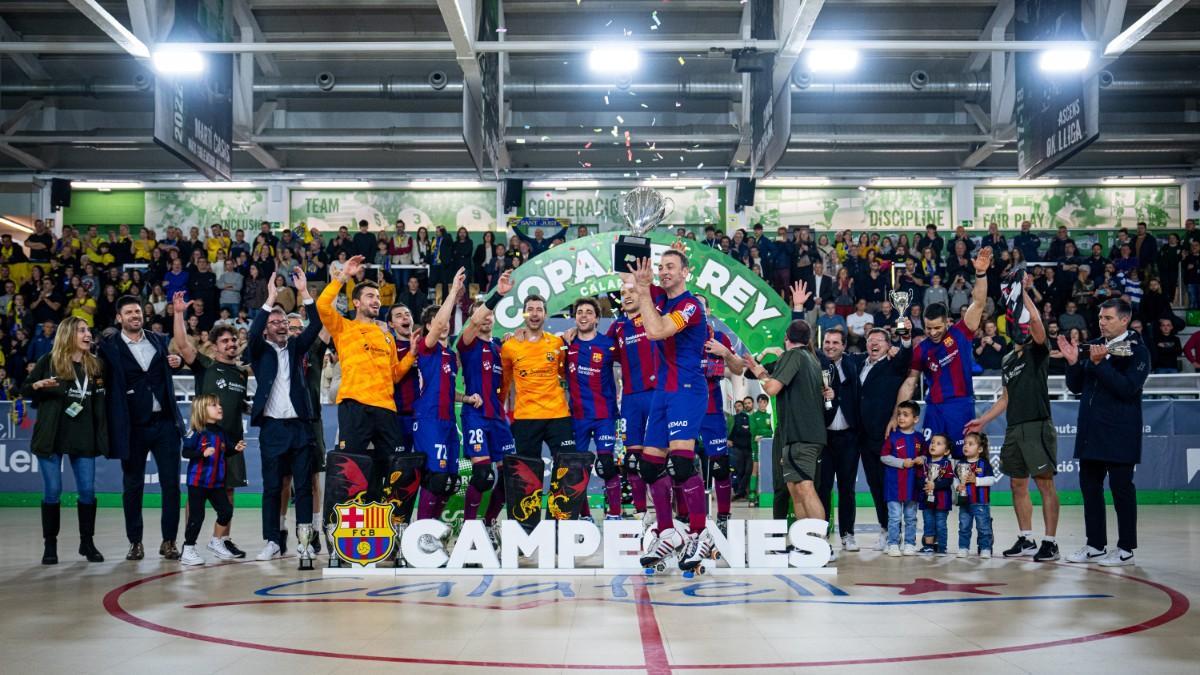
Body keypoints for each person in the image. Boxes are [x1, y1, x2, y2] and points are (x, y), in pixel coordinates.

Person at [628, 251, 713, 572]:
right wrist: (638, 274)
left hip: (687, 390)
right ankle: (667, 533)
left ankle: (699, 532)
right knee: (649, 467)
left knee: (680, 462)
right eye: (661, 267)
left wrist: (644, 291)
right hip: (662, 393)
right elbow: (629, 280)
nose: (663, 272)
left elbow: (656, 331)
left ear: (685, 272)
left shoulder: (690, 305)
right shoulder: (658, 295)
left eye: (670, 267)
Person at [966, 275, 1060, 562]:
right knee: (1017, 484)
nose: (1022, 330)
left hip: (1037, 424)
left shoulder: (1037, 350)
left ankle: (1051, 542)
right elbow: (1005, 398)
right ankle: (1027, 538)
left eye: (1024, 326)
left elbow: (1037, 324)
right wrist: (983, 420)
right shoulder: (1008, 360)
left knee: (1044, 484)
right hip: (1014, 428)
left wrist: (1022, 294)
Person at [1059, 298, 1150, 567]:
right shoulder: (1095, 346)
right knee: (1090, 489)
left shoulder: (1138, 350)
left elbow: (1127, 388)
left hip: (1120, 432)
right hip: (1091, 431)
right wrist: (1074, 362)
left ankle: (1125, 550)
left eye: (1108, 318)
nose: (1101, 321)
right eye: (1100, 317)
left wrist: (1100, 364)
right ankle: (1095, 545)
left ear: (1124, 320)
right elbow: (1076, 387)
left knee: (1122, 489)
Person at [99, 296, 186, 561]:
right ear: (119, 318)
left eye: (138, 311)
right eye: (129, 312)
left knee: (171, 485)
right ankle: (135, 542)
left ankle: (169, 541)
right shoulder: (109, 345)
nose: (135, 315)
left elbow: (170, 365)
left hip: (165, 424)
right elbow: (99, 372)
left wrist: (176, 362)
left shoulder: (158, 340)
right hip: (132, 427)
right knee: (133, 486)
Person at [245, 268, 322, 561]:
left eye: (283, 321)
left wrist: (304, 293)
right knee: (273, 488)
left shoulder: (297, 348)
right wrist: (270, 300)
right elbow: (253, 333)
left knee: (303, 486)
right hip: (272, 430)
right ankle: (273, 541)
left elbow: (315, 325)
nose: (280, 325)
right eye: (274, 321)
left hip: (301, 427)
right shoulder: (259, 351)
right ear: (267, 327)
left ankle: (304, 540)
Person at [317, 255, 408, 501]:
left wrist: (414, 354)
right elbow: (323, 306)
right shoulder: (343, 327)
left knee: (391, 466)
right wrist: (343, 275)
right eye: (370, 296)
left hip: (385, 408)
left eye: (378, 297)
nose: (376, 301)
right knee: (353, 466)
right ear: (356, 302)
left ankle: (379, 515)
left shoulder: (386, 336)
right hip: (354, 405)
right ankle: (348, 520)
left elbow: (395, 374)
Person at [891, 247, 991, 459]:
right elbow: (910, 383)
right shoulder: (922, 349)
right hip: (934, 409)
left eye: (937, 328)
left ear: (947, 322)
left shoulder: (961, 333)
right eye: (928, 328)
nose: (933, 332)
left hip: (961, 406)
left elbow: (979, 302)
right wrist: (895, 415)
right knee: (931, 463)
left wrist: (980, 274)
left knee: (964, 461)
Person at [24, 317, 108, 565]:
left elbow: (100, 405)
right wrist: (37, 384)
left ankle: (87, 542)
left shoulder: (96, 366)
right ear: (68, 334)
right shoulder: (48, 361)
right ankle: (50, 545)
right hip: (51, 437)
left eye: (88, 330)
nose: (88, 334)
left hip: (83, 437)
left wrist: (103, 438)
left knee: (87, 491)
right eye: (81, 330)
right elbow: (25, 390)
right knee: (53, 491)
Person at [742, 320, 831, 555]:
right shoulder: (811, 358)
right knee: (795, 489)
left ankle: (822, 545)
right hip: (796, 435)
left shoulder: (795, 356)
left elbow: (771, 388)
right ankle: (804, 543)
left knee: (806, 488)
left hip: (803, 434)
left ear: (786, 339)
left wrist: (760, 372)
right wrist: (759, 370)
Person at [171, 293, 250, 560]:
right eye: (225, 341)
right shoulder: (205, 366)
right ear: (215, 346)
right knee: (198, 494)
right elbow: (182, 344)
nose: (231, 344)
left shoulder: (241, 372)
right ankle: (188, 544)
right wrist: (179, 313)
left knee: (228, 491)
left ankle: (221, 540)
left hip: (232, 441)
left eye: (233, 340)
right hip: (207, 442)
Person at [414, 268, 477, 524]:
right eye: (438, 322)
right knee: (436, 478)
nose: (444, 325)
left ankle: (433, 533)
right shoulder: (426, 348)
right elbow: (440, 323)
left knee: (450, 482)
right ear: (429, 326)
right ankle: (421, 535)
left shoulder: (451, 356)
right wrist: (453, 292)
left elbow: (448, 391)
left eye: (446, 322)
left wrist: (467, 398)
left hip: (449, 422)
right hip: (429, 421)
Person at [458, 271, 516, 535]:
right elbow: (474, 321)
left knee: (508, 477)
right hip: (476, 416)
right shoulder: (466, 344)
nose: (486, 319)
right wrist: (498, 294)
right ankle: (469, 528)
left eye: (489, 315)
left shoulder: (500, 347)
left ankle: (489, 522)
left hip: (499, 418)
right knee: (483, 475)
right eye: (481, 315)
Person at [501, 294, 575, 479]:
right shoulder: (509, 346)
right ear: (524, 314)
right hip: (526, 418)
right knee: (527, 477)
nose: (534, 314)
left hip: (558, 416)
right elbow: (504, 381)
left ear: (546, 314)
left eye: (539, 310)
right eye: (530, 310)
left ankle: (557, 510)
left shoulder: (557, 343)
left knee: (568, 469)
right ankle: (529, 509)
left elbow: (565, 373)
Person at [564, 297, 621, 521]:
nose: (584, 315)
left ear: (597, 318)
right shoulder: (566, 343)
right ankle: (584, 515)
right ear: (575, 317)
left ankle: (614, 514)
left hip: (604, 415)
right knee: (577, 468)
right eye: (580, 312)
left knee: (607, 465)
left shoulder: (608, 344)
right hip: (578, 416)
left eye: (589, 312)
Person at [697, 295, 746, 531]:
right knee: (679, 464)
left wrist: (725, 353)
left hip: (712, 409)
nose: (697, 310)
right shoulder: (676, 336)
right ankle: (686, 517)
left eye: (701, 306)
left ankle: (724, 516)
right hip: (682, 407)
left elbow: (738, 369)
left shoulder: (720, 338)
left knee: (720, 465)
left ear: (708, 309)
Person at [178, 395, 245, 566]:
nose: (219, 407)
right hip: (197, 483)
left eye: (219, 404)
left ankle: (216, 541)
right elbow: (185, 452)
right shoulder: (196, 431)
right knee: (196, 517)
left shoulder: (221, 432)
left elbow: (226, 450)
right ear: (202, 410)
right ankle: (188, 549)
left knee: (226, 512)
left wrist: (235, 449)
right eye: (214, 405)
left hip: (216, 483)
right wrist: (202, 454)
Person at [817, 326, 862, 551]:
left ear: (844, 346)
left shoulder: (854, 363)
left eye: (835, 342)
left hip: (849, 438)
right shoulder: (815, 363)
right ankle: (822, 535)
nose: (830, 346)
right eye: (827, 342)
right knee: (823, 488)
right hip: (824, 439)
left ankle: (847, 534)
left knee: (847, 489)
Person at [880, 400, 926, 557]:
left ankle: (910, 544)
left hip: (912, 486)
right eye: (899, 414)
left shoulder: (920, 438)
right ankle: (893, 543)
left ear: (916, 419)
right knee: (894, 517)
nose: (901, 418)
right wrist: (901, 463)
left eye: (905, 415)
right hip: (894, 486)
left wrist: (923, 458)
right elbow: (884, 457)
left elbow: (927, 455)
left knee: (911, 517)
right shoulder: (892, 437)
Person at [956, 431, 995, 558]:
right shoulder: (960, 463)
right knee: (964, 527)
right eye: (965, 443)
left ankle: (985, 548)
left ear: (979, 449)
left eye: (970, 444)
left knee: (983, 528)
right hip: (964, 502)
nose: (966, 446)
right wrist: (957, 485)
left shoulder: (984, 464)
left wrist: (976, 480)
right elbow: (955, 478)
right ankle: (963, 548)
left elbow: (991, 480)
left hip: (981, 503)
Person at [917, 433, 954, 555]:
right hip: (926, 500)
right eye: (932, 442)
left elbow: (948, 481)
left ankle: (942, 547)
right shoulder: (925, 462)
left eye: (938, 443)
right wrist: (925, 483)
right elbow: (919, 478)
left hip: (942, 502)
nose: (933, 445)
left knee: (940, 524)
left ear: (946, 451)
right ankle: (928, 546)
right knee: (928, 523)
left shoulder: (946, 464)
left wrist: (935, 485)